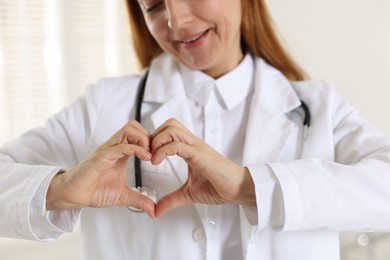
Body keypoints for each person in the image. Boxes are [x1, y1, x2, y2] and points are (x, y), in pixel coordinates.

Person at [0, 0, 390, 259]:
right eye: (153, 5)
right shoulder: (104, 105)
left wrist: (249, 187)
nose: (175, 21)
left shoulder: (316, 106)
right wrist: (60, 190)